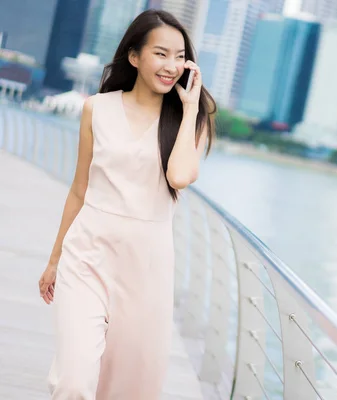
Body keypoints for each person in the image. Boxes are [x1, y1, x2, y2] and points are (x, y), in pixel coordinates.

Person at [37, 9, 216, 399]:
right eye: (160, 54)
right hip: (86, 257)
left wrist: (188, 110)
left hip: (146, 269)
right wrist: (55, 259)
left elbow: (180, 176)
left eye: (179, 56)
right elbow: (79, 190)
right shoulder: (96, 109)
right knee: (73, 381)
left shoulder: (190, 119)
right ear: (134, 57)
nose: (171, 66)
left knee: (127, 389)